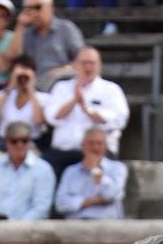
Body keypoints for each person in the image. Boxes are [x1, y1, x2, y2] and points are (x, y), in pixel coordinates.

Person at [44, 45, 130, 174]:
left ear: (99, 65)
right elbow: (51, 117)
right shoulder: (61, 88)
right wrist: (74, 100)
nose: (88, 67)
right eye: (84, 63)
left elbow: (119, 119)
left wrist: (87, 109)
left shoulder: (111, 89)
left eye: (92, 63)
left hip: (97, 153)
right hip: (63, 151)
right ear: (75, 65)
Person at [0, 122, 56, 218]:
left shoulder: (43, 169)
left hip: (27, 229)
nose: (19, 145)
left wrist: (16, 227)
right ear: (6, 142)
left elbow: (41, 208)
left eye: (24, 140)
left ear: (29, 142)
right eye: (14, 141)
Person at [7, 0, 85, 89]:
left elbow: (82, 58)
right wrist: (20, 26)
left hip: (62, 83)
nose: (33, 13)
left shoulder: (66, 28)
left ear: (51, 7)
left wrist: (64, 69)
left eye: (38, 7)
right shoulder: (25, 34)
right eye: (28, 9)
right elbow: (12, 59)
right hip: (34, 87)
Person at [54, 124, 128, 217]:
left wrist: (95, 170)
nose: (95, 147)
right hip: (76, 225)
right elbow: (60, 205)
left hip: (106, 225)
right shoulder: (71, 171)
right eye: (91, 143)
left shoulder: (118, 168)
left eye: (99, 143)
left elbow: (111, 194)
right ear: (82, 146)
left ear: (106, 146)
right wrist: (95, 200)